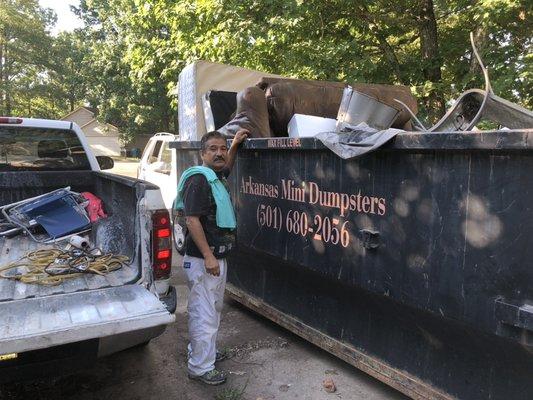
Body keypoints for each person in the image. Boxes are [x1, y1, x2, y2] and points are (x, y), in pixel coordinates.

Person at [178, 129, 248, 385]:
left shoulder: (215, 177)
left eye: (222, 148)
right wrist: (208, 256)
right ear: (202, 153)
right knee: (204, 314)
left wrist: (236, 144)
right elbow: (192, 220)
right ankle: (200, 367)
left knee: (211, 310)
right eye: (213, 149)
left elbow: (226, 166)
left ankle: (203, 354)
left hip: (215, 259)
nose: (219, 153)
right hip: (203, 260)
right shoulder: (199, 181)